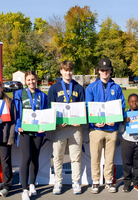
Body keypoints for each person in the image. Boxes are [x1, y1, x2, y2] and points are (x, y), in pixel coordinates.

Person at [85, 58, 125, 194]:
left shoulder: (117, 87)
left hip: (111, 128)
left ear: (110, 71)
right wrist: (93, 122)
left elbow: (122, 106)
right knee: (95, 156)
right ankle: (95, 181)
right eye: (102, 70)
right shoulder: (91, 87)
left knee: (110, 157)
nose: (104, 72)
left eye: (107, 70)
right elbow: (87, 107)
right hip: (96, 128)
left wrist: (116, 120)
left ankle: (108, 180)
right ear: (98, 71)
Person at [47, 60, 86, 195]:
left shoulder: (79, 88)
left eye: (70, 70)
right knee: (57, 157)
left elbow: (83, 107)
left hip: (75, 128)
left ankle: (76, 182)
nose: (68, 73)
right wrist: (56, 122)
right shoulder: (54, 88)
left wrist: (80, 121)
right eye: (65, 70)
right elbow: (49, 109)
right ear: (61, 71)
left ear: (72, 71)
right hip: (59, 128)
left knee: (76, 157)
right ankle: (58, 182)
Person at [13, 71, 49, 200]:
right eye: (28, 80)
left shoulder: (42, 95)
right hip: (25, 131)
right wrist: (18, 127)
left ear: (36, 80)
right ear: (25, 81)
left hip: (38, 131)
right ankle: (24, 189)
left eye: (33, 79)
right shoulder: (19, 94)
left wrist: (43, 126)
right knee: (26, 158)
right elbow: (16, 113)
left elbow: (46, 113)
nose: (31, 82)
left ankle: (32, 184)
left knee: (35, 157)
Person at [121, 93, 138, 193]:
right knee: (127, 163)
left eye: (136, 101)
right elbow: (120, 130)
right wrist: (123, 122)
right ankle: (127, 184)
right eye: (132, 101)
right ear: (128, 103)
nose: (134, 103)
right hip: (127, 141)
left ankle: (137, 183)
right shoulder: (124, 115)